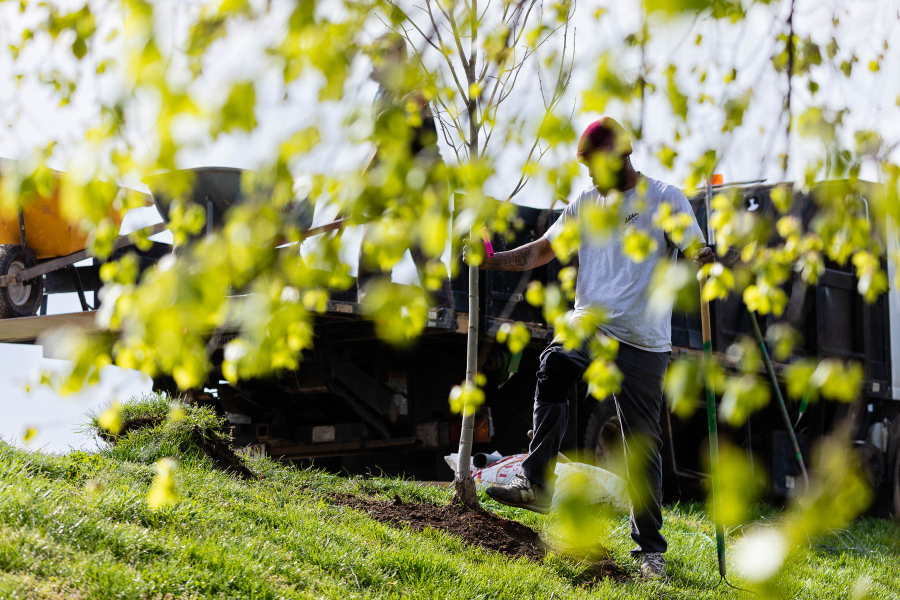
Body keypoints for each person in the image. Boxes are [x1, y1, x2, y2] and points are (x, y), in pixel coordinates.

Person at [464, 117, 713, 580]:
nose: (591, 176)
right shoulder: (586, 201)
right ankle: (536, 481)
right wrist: (496, 261)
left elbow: (696, 249)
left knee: (641, 445)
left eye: (596, 165)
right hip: (590, 321)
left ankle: (650, 554)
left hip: (643, 338)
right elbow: (545, 249)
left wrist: (710, 259)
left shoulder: (663, 197)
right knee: (555, 365)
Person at [356, 33, 452, 307]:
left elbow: (423, 95)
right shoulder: (381, 94)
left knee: (427, 257)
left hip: (425, 181)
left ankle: (443, 320)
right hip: (396, 185)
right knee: (372, 251)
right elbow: (379, 149)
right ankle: (373, 312)